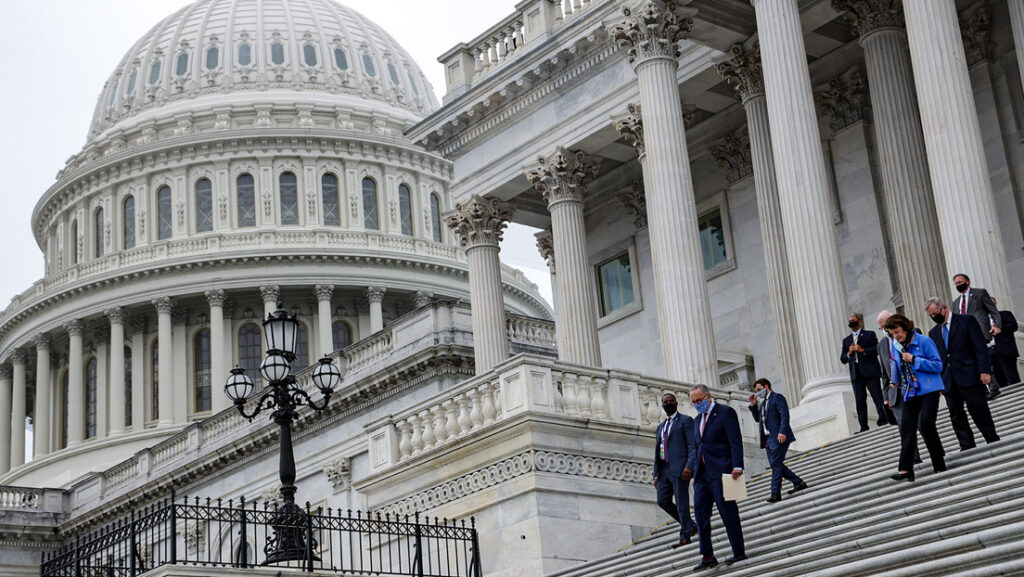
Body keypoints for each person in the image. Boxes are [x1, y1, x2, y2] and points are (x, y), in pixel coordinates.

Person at [925, 297, 1000, 450]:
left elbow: (980, 347)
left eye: (935, 313)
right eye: (930, 316)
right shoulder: (933, 333)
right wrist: (938, 382)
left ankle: (991, 438)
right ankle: (966, 444)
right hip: (948, 379)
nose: (934, 317)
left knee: (978, 408)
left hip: (969, 374)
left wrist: (985, 370)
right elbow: (937, 359)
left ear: (944, 307)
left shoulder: (966, 321)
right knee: (955, 413)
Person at [689, 384, 746, 571]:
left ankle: (738, 551)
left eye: (699, 400)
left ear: (708, 396)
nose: (697, 404)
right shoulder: (697, 420)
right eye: (694, 402)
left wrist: (737, 465)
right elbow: (699, 447)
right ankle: (707, 555)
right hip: (702, 475)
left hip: (722, 471)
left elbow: (735, 440)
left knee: (728, 512)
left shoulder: (725, 413)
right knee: (700, 514)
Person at [884, 314, 946, 481]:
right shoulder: (897, 347)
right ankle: (905, 469)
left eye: (897, 331)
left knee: (926, 424)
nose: (896, 336)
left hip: (929, 389)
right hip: (910, 391)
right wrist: (894, 382)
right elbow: (897, 366)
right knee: (906, 428)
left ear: (905, 327)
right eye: (892, 333)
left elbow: (938, 365)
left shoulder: (924, 341)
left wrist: (915, 360)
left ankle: (939, 462)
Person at [747, 378, 807, 503]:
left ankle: (775, 493)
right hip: (768, 440)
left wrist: (782, 432)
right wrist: (753, 405)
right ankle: (798, 482)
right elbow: (759, 420)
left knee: (775, 464)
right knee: (777, 464)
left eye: (759, 389)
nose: (757, 393)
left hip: (779, 437)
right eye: (756, 391)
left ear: (766, 386)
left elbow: (784, 415)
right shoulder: (763, 403)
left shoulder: (777, 398)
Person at [653, 393, 698, 547]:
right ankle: (690, 524)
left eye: (671, 401)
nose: (668, 403)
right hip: (664, 470)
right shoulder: (661, 426)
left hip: (680, 469)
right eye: (665, 402)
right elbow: (657, 451)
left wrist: (689, 466)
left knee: (681, 502)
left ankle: (685, 535)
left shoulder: (685, 421)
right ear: (662, 405)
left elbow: (692, 446)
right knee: (662, 500)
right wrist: (656, 474)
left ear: (676, 403)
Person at [877, 310, 920, 464]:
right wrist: (886, 397)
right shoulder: (881, 345)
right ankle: (914, 459)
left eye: (885, 326)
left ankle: (936, 454)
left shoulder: (912, 334)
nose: (884, 330)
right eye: (881, 328)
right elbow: (884, 373)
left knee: (922, 424)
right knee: (904, 428)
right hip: (895, 393)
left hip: (914, 387)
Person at [950, 274, 1001, 398]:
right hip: (964, 338)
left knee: (984, 359)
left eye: (960, 282)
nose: (958, 285)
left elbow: (993, 311)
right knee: (973, 364)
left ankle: (993, 387)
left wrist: (997, 325)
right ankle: (983, 390)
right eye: (956, 283)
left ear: (967, 282)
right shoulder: (956, 303)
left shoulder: (980, 293)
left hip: (980, 332)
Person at [840, 312, 890, 432]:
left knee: (877, 397)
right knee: (860, 401)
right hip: (856, 374)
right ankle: (863, 426)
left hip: (870, 372)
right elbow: (842, 359)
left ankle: (884, 419)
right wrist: (849, 353)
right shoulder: (846, 341)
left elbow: (876, 349)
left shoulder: (869, 334)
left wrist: (862, 350)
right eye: (850, 321)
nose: (851, 322)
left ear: (859, 321)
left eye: (853, 320)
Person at [990, 297, 1019, 395]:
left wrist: (998, 327)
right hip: (991, 353)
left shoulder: (1005, 314)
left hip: (1005, 350)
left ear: (995, 304)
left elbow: (1014, 326)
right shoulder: (983, 320)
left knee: (1012, 377)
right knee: (999, 381)